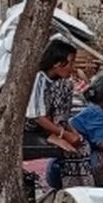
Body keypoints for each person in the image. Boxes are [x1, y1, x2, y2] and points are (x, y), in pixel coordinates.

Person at [27, 39, 93, 189]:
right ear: (57, 63)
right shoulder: (38, 79)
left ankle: (80, 191)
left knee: (82, 146)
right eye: (71, 62)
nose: (73, 67)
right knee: (73, 149)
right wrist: (63, 134)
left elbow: (60, 113)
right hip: (31, 126)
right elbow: (36, 116)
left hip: (51, 125)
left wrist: (73, 133)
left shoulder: (57, 81)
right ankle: (71, 191)